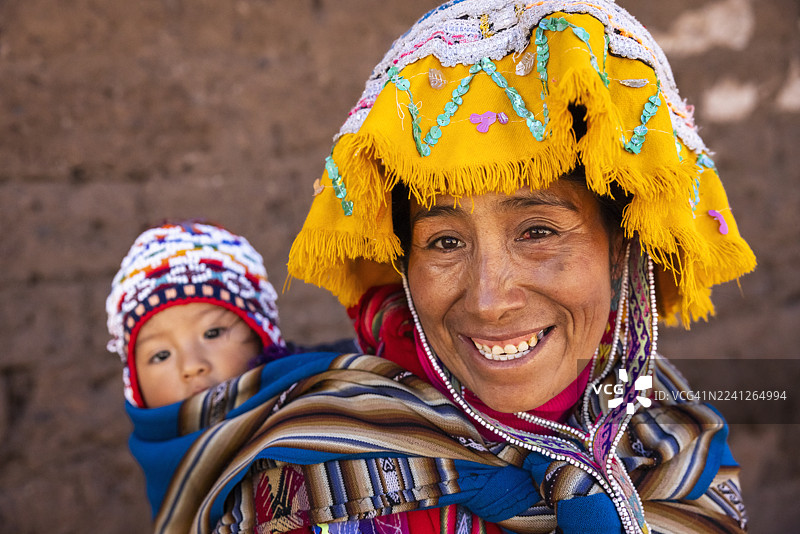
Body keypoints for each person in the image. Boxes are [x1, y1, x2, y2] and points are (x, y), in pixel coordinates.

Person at [127, 1, 756, 532]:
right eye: (444, 243)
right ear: (402, 259)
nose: (488, 300)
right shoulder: (310, 472)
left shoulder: (672, 430)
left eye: (538, 231)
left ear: (623, 248)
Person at [105, 220, 287, 409]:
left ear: (264, 335)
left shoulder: (307, 424)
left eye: (212, 334)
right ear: (134, 383)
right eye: (161, 355)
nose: (191, 366)